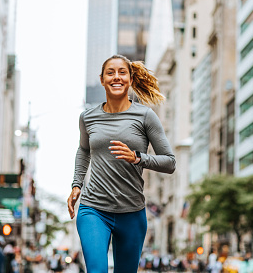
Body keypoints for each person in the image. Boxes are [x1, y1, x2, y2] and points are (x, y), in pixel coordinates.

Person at [67, 54, 176, 273]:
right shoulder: (88, 117)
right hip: (94, 209)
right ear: (102, 79)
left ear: (130, 79)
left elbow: (170, 162)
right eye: (110, 72)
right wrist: (77, 184)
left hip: (132, 211)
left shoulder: (146, 116)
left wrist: (138, 157)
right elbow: (84, 150)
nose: (116, 77)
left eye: (122, 72)